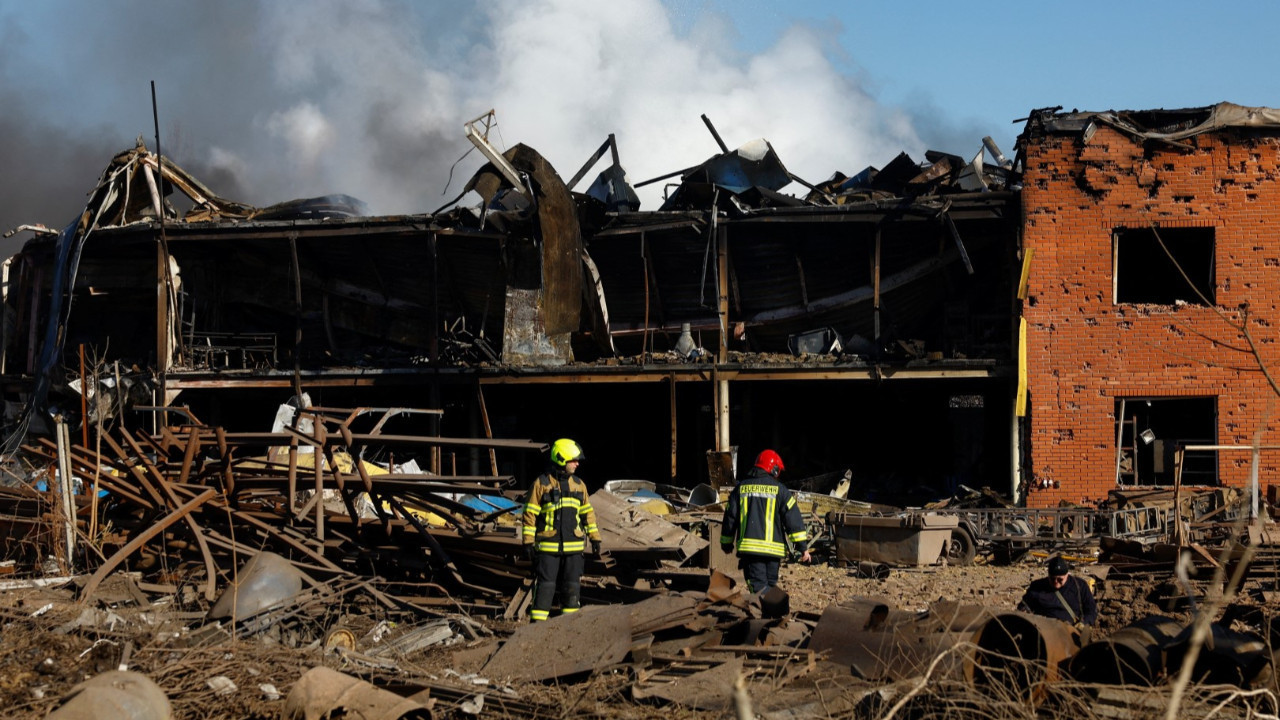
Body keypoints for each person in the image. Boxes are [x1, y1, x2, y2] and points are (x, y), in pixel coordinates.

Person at [521, 438, 602, 622]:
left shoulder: (579, 485)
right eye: (573, 460)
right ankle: (537, 627)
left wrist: (595, 538)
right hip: (548, 549)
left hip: (574, 549)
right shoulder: (541, 484)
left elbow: (588, 514)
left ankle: (569, 627)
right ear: (561, 459)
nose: (577, 463)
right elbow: (529, 515)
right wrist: (527, 542)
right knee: (546, 588)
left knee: (572, 589)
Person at [719, 449, 812, 594]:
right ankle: (773, 607)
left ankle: (771, 608)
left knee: (759, 589)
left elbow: (730, 517)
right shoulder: (781, 490)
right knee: (769, 587)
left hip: (751, 551)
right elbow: (793, 519)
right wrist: (803, 548)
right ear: (774, 469)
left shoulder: (740, 489)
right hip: (773, 553)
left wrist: (726, 543)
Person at [1017, 555, 1097, 627]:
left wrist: (1084, 623)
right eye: (1052, 579)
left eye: (1060, 579)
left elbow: (1091, 610)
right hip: (1045, 629)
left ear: (1067, 575)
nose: (1056, 582)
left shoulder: (1080, 586)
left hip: (1071, 630)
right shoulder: (1037, 587)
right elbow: (1023, 607)